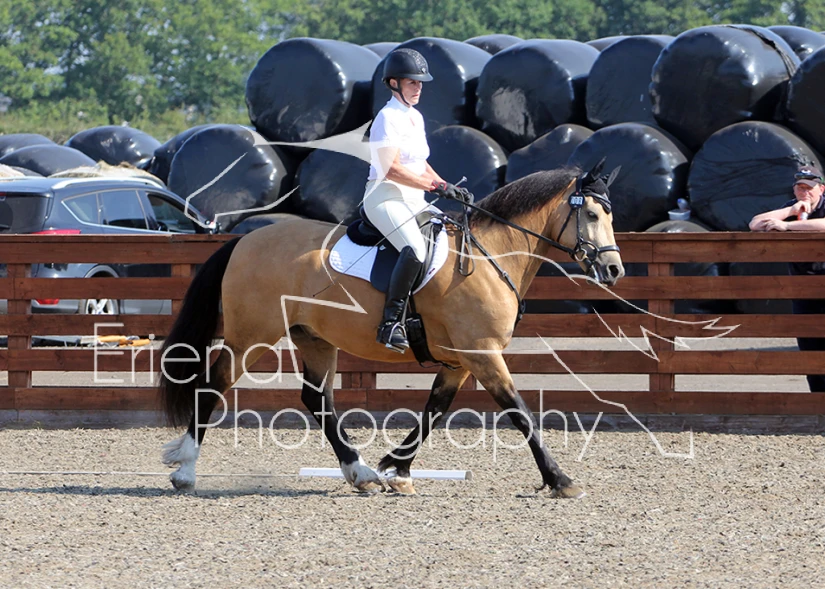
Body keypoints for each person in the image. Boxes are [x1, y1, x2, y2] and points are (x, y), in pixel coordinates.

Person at [363, 48, 470, 353]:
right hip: (384, 197)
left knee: (452, 236)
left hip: (413, 199)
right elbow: (391, 169)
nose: (418, 87)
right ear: (393, 83)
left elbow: (420, 163)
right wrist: (434, 187)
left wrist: (445, 184)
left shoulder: (415, 117)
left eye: (420, 82)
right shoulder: (387, 117)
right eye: (412, 82)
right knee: (415, 249)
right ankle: (390, 323)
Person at [749, 164, 825, 391]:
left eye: (809, 188)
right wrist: (789, 212)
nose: (805, 193)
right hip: (803, 291)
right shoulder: (792, 208)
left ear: (821, 189)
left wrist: (788, 227)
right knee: (809, 351)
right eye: (800, 188)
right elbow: (754, 223)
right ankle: (818, 403)